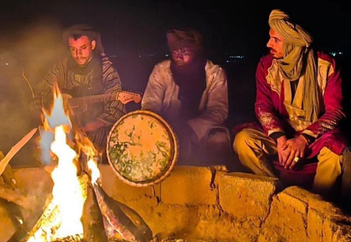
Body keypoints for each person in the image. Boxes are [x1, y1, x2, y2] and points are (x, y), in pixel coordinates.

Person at [233, 9, 348, 199]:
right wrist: (280, 139)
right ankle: (274, 194)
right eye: (270, 38)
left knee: (335, 153)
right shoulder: (266, 66)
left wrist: (303, 139)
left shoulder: (326, 66)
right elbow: (263, 106)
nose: (268, 44)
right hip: (282, 135)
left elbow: (335, 111)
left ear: (294, 41)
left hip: (314, 139)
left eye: (276, 40)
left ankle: (317, 203)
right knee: (244, 141)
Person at [34, 24, 126, 160]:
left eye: (83, 48)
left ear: (93, 45)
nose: (78, 55)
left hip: (96, 133)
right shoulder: (61, 68)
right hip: (66, 133)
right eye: (73, 49)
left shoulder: (106, 71)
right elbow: (41, 92)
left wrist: (91, 126)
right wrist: (51, 114)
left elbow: (116, 107)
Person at [141, 27, 230, 165]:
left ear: (196, 50)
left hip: (201, 131)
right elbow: (150, 104)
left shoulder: (214, 73)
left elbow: (218, 110)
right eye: (175, 50)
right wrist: (162, 129)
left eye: (185, 51)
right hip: (166, 128)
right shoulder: (161, 71)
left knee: (219, 139)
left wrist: (190, 128)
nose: (179, 55)